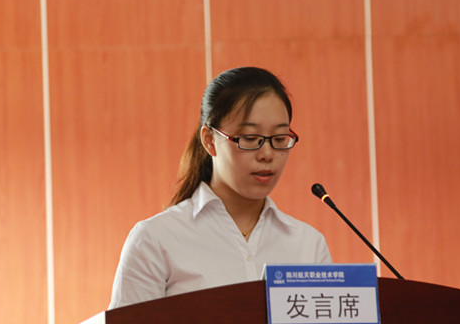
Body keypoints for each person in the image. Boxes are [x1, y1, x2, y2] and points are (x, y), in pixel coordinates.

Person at [109, 66, 331, 309]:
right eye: (250, 138)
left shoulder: (308, 245)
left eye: (279, 139)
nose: (267, 154)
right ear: (209, 140)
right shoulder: (156, 239)